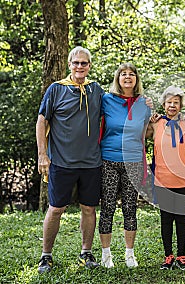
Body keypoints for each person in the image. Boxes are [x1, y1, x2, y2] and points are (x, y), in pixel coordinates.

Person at [36, 46, 104, 273]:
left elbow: (119, 106)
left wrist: (148, 108)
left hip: (91, 162)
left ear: (89, 66)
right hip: (62, 162)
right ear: (69, 64)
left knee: (89, 208)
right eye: (76, 63)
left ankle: (86, 253)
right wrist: (42, 155)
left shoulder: (96, 90)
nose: (80, 67)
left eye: (84, 63)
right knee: (55, 209)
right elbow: (41, 121)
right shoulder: (56, 89)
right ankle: (46, 256)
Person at [98, 63, 151, 268]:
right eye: (123, 74)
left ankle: (130, 254)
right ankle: (106, 255)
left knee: (130, 208)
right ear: (117, 79)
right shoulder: (106, 100)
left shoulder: (144, 104)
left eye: (131, 74)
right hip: (109, 160)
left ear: (136, 79)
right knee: (108, 207)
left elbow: (148, 130)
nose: (127, 77)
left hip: (133, 161)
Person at [146, 86, 185, 270]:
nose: (172, 105)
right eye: (169, 102)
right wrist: (148, 117)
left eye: (176, 102)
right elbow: (139, 135)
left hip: (184, 179)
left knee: (181, 219)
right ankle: (168, 256)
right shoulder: (155, 124)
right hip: (162, 179)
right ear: (163, 104)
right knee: (166, 219)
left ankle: (182, 256)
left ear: (181, 105)